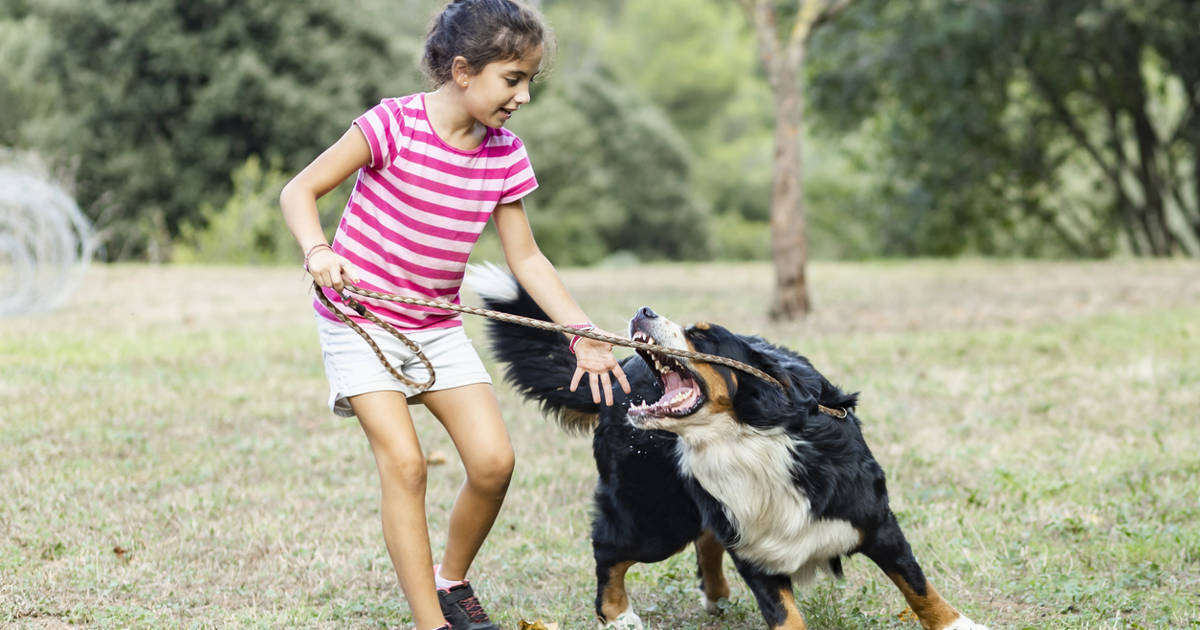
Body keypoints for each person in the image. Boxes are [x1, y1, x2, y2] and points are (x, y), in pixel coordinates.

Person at [279, 2, 631, 629]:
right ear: (463, 70)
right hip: (359, 319)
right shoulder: (393, 124)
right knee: (406, 465)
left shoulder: (505, 154)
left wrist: (582, 331)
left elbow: (526, 257)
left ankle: (451, 581)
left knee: (495, 463)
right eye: (512, 79)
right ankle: (430, 623)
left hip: (435, 324)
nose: (522, 96)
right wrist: (318, 250)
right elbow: (298, 191)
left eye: (529, 81)